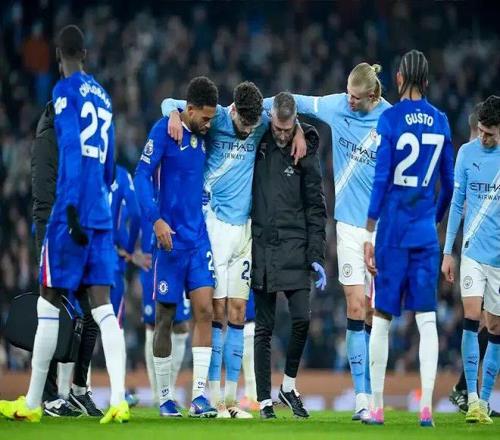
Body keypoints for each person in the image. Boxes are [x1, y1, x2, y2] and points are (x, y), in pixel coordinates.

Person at [0, 25, 129, 424]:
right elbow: (109, 164)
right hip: (100, 213)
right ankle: (119, 401)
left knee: (48, 302)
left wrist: (70, 208)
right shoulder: (104, 97)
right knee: (104, 307)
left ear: (59, 57)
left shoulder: (63, 91)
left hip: (69, 211)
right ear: (85, 54)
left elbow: (71, 148)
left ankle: (33, 403)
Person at [161, 82, 306, 418]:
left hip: (245, 230)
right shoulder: (216, 120)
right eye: (244, 124)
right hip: (215, 225)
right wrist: (172, 114)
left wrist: (299, 129)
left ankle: (230, 399)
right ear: (234, 111)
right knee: (217, 312)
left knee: (239, 312)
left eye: (253, 127)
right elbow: (170, 101)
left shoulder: (260, 119)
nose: (248, 131)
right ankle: (212, 398)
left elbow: (289, 107)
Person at [262, 63, 391, 420]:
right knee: (355, 307)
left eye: (356, 97)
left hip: (381, 227)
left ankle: (375, 394)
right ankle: (362, 399)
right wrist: (250, 110)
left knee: (376, 312)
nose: (349, 101)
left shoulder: (391, 120)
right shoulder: (336, 105)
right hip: (348, 224)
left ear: (373, 95)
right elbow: (292, 101)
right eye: (347, 94)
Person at [363, 49, 454, 427]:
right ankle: (426, 407)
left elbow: (381, 178)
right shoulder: (441, 121)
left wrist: (369, 230)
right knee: (427, 319)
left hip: (392, 232)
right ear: (427, 82)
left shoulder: (389, 119)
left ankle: (377, 407)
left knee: (382, 317)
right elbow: (449, 184)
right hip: (423, 234)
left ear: (398, 79)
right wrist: (434, 220)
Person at [134, 76, 219, 418]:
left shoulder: (202, 129)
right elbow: (141, 176)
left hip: (198, 239)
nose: (209, 124)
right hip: (168, 241)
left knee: (205, 311)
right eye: (205, 118)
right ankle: (166, 397)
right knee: (165, 317)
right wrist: (155, 219)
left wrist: (173, 108)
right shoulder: (164, 131)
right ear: (191, 109)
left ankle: (199, 397)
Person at [251, 92, 327, 419]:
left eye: (288, 129)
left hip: (295, 244)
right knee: (264, 328)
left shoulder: (305, 147)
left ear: (295, 121)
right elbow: (236, 111)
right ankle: (263, 400)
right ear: (271, 119)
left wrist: (316, 254)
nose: (282, 135)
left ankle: (288, 385)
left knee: (302, 319)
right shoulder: (258, 137)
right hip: (262, 244)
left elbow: (316, 205)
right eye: (278, 129)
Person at [30, 100, 101, 418]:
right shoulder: (48, 140)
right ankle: (47, 397)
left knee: (92, 313)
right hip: (54, 236)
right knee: (52, 314)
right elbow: (45, 198)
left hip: (76, 234)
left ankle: (78, 390)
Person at [441, 95, 500, 425]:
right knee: (471, 316)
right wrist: (447, 251)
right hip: (472, 253)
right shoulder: (466, 153)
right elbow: (457, 204)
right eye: (481, 131)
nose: (483, 138)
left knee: (495, 328)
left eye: (490, 133)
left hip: (498, 258)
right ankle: (473, 399)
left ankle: (486, 400)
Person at [140, 215, 191, 406]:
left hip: (181, 253)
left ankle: (169, 388)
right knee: (153, 325)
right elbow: (135, 216)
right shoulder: (147, 198)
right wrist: (132, 250)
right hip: (152, 260)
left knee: (181, 327)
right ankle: (157, 393)